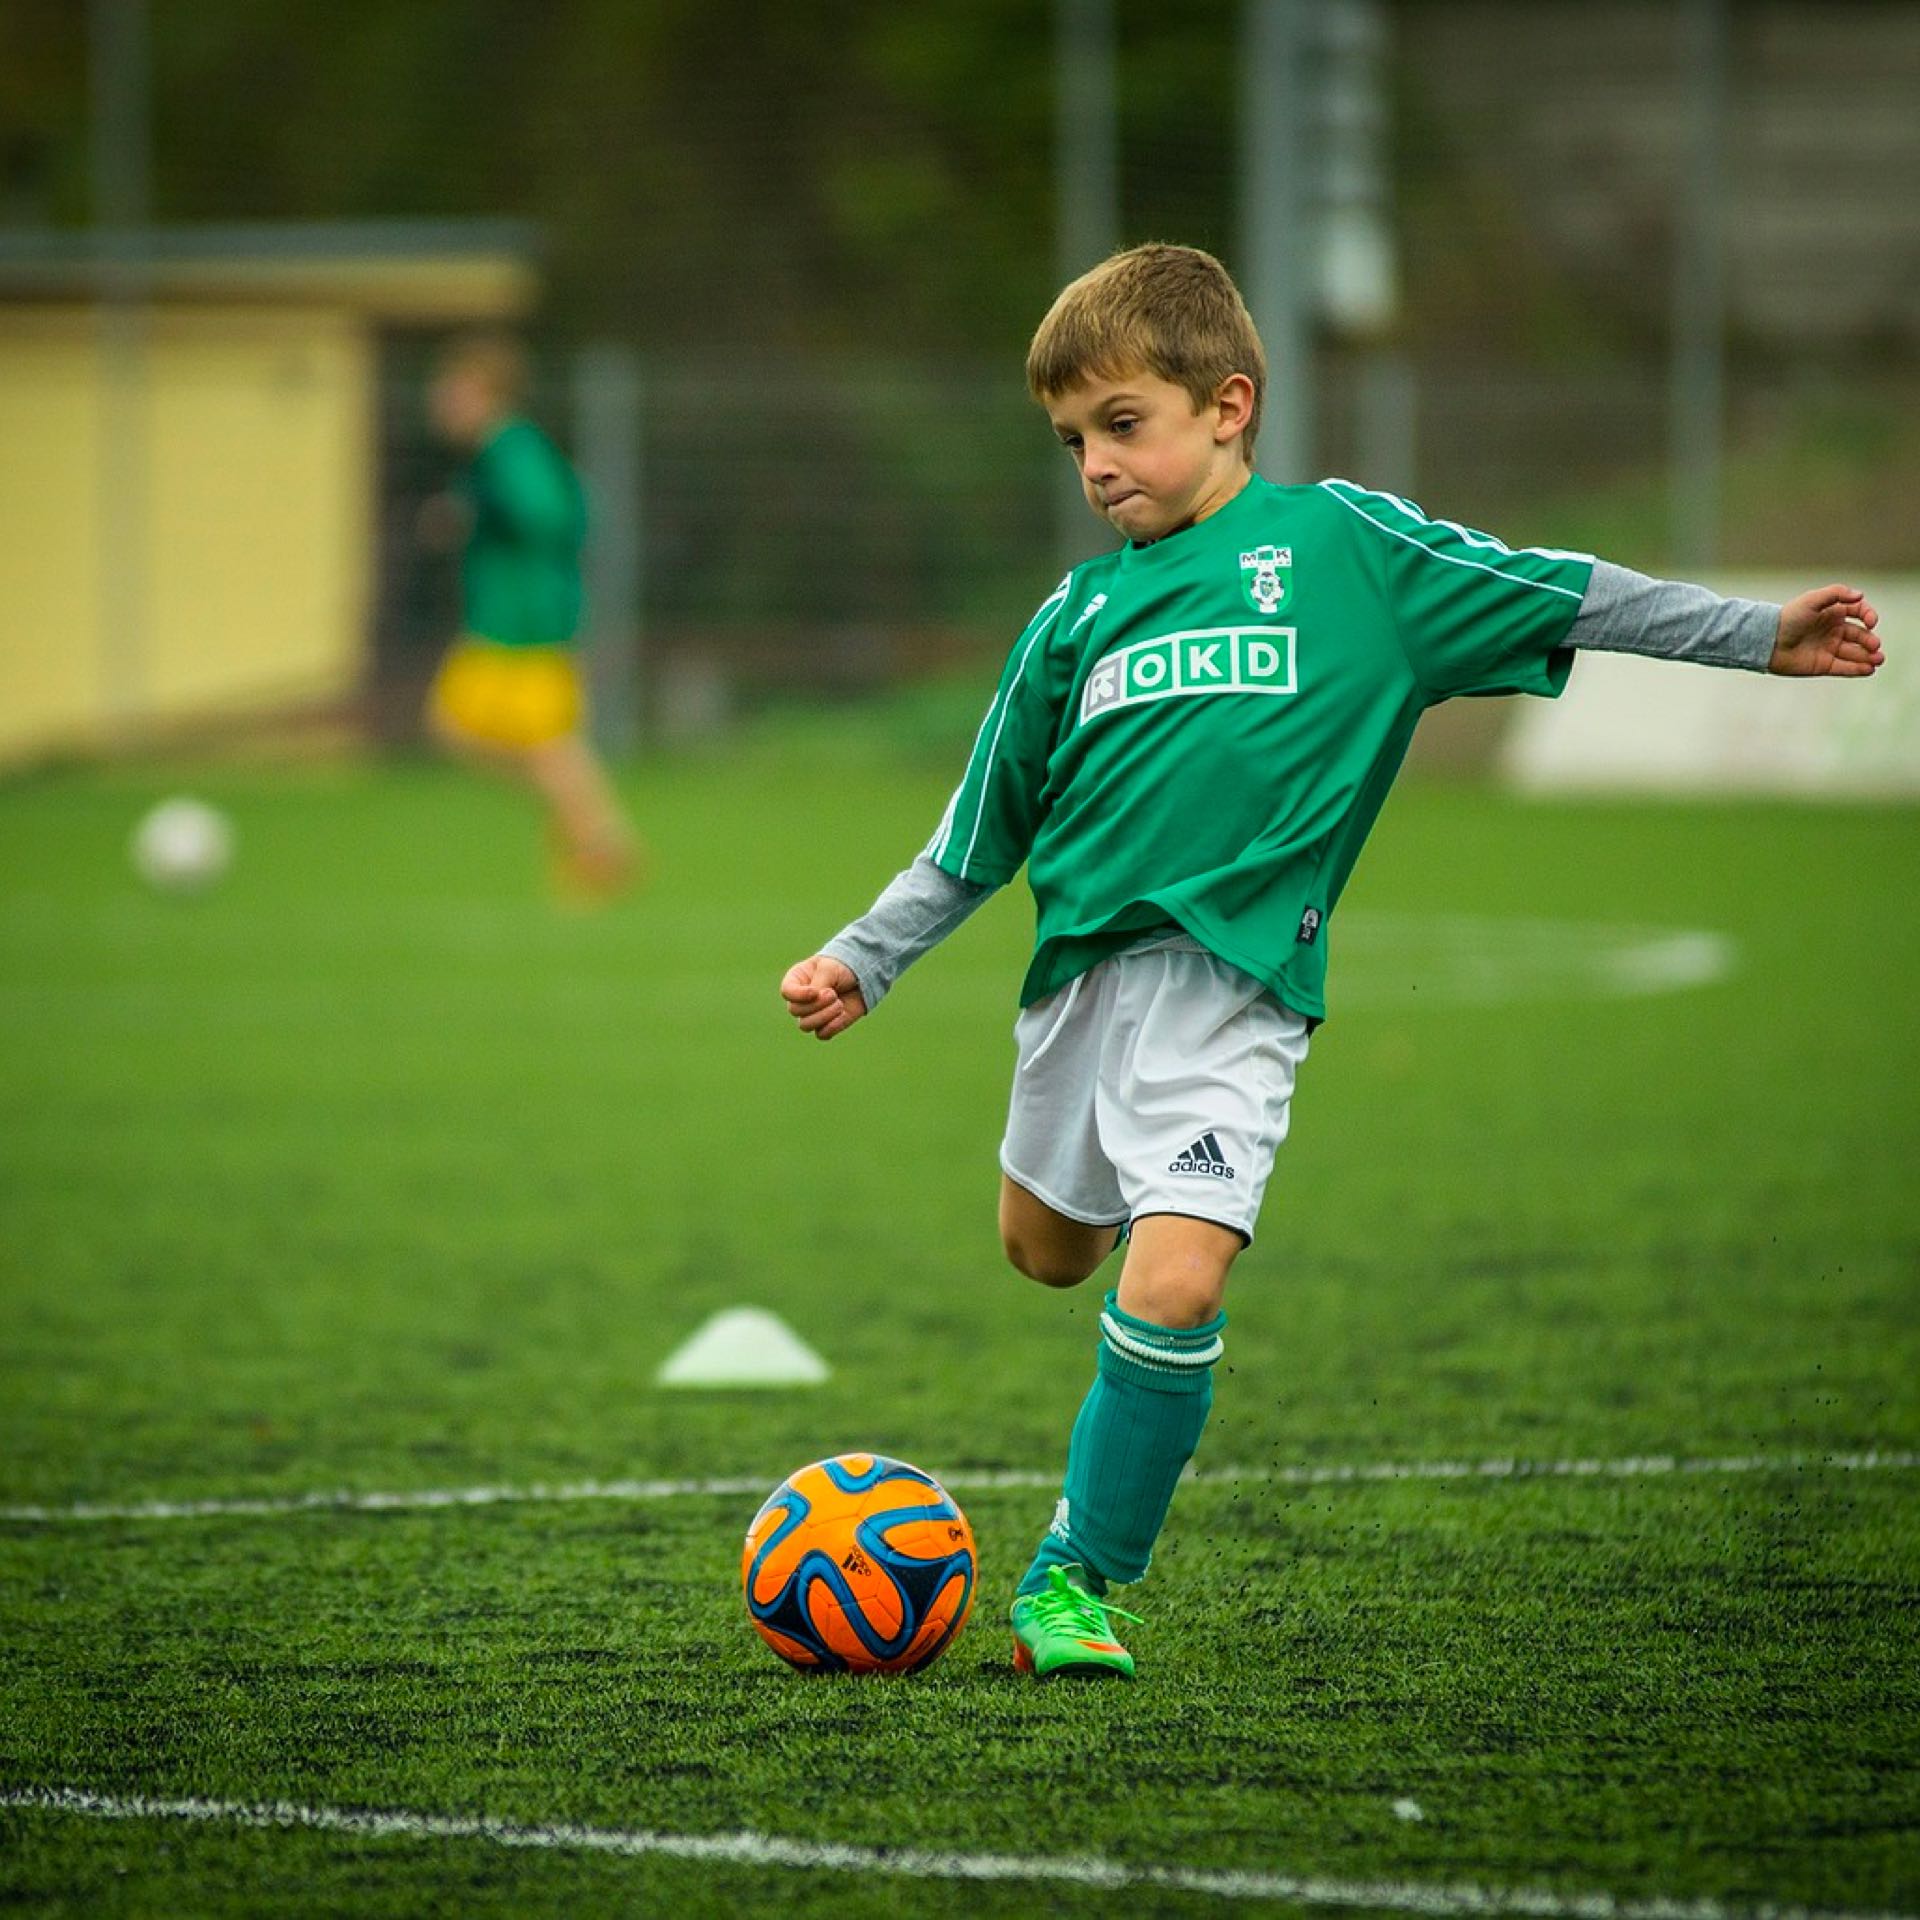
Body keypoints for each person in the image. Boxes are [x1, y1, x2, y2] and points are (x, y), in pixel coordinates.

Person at [779, 244, 1884, 1681]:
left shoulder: (1350, 553)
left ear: (1228, 404)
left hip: (1237, 996)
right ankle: (1138, 1249)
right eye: (1072, 442)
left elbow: (1561, 590)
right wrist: (867, 961)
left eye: (1124, 424)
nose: (1097, 466)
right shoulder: (1075, 619)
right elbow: (978, 830)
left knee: (1172, 1287)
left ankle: (1076, 1577)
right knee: (1046, 1252)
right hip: (1079, 996)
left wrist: (1755, 635)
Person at [423, 332, 638, 898]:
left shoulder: (509, 449)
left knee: (539, 744)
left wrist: (481, 511)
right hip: (505, 622)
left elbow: (554, 514)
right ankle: (591, 830)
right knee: (468, 732)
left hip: (526, 624)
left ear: (484, 393)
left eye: (453, 390)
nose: (441, 401)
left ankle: (598, 841)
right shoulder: (497, 454)